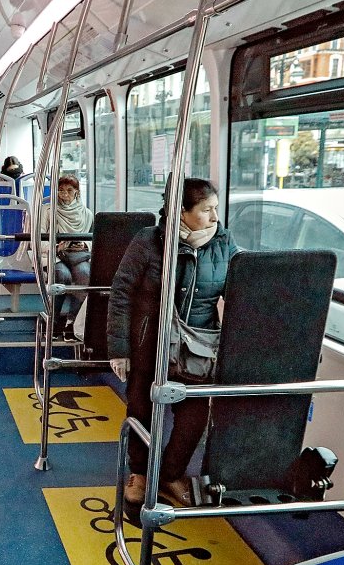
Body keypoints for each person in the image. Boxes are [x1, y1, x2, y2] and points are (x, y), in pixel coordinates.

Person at [106, 178, 238, 508]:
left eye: (215, 210)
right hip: (150, 340)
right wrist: (119, 349)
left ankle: (168, 473)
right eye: (206, 210)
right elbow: (121, 293)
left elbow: (241, 292)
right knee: (142, 408)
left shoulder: (224, 244)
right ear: (181, 212)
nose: (214, 218)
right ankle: (140, 473)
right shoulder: (149, 241)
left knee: (193, 418)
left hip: (197, 345)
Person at [40, 175, 93, 336]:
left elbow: (92, 239)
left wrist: (84, 244)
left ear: (77, 192)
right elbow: (38, 241)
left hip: (78, 255)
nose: (64, 194)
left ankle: (73, 321)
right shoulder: (48, 211)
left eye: (69, 191)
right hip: (54, 254)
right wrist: (56, 247)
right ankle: (53, 321)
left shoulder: (86, 214)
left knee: (85, 275)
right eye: (61, 190)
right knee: (62, 276)